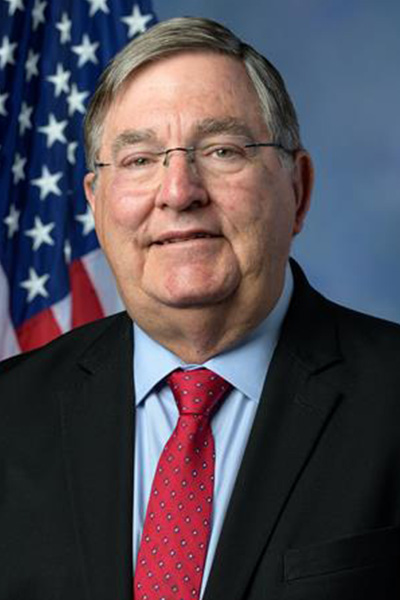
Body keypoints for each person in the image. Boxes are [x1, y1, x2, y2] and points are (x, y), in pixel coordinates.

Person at [1, 16, 400, 600]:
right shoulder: (9, 413)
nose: (179, 191)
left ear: (298, 190)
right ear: (95, 204)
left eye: (222, 150)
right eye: (139, 160)